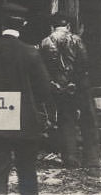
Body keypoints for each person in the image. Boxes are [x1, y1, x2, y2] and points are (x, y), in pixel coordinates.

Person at [0, 3, 51, 195]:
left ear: (1, 24)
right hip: (26, 121)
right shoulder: (32, 52)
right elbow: (44, 89)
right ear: (23, 24)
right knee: (27, 172)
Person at [39, 13, 100, 175]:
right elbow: (84, 63)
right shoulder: (76, 39)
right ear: (68, 26)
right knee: (88, 120)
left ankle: (70, 158)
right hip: (80, 86)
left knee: (66, 120)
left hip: (60, 87)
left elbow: (44, 67)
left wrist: (56, 84)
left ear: (52, 26)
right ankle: (92, 159)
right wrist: (75, 81)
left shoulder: (45, 41)